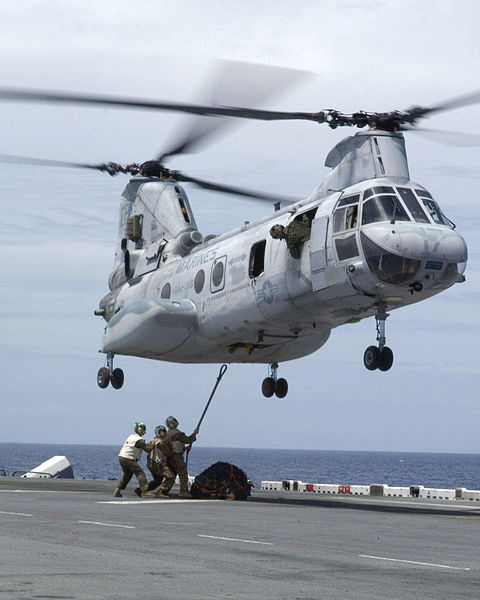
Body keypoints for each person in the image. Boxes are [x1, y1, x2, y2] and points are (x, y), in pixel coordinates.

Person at [113, 422, 155, 498]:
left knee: (127, 475)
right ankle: (145, 491)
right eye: (143, 430)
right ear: (140, 430)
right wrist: (153, 444)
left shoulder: (131, 436)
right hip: (129, 458)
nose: (145, 432)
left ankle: (117, 491)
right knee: (140, 473)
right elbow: (148, 449)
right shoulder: (139, 440)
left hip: (122, 457)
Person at [165, 416, 199, 499]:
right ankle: (183, 491)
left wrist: (184, 448)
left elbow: (176, 443)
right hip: (176, 455)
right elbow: (187, 440)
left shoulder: (169, 433)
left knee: (172, 474)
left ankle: (163, 490)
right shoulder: (176, 433)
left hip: (171, 456)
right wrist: (194, 433)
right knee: (183, 473)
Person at [143, 425, 176, 498]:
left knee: (158, 481)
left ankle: (142, 489)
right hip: (158, 464)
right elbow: (168, 453)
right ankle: (160, 492)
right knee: (171, 477)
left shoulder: (154, 440)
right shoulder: (160, 443)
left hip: (151, 463)